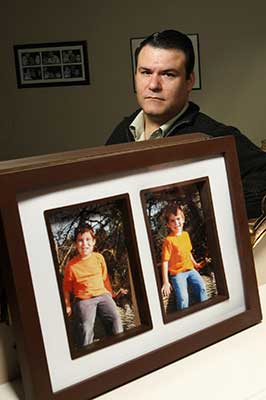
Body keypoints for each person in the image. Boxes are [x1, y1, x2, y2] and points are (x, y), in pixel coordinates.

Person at [106, 29, 266, 220]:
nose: (153, 84)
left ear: (189, 81)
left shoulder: (212, 136)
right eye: (146, 72)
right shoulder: (122, 131)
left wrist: (212, 215)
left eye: (168, 74)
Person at [63, 223, 123, 347]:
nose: (85, 244)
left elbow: (105, 279)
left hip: (103, 295)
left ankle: (119, 345)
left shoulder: (99, 258)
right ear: (75, 244)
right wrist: (67, 305)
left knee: (116, 318)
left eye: (88, 239)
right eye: (80, 240)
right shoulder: (71, 265)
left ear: (94, 241)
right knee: (85, 326)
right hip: (84, 300)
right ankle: (86, 352)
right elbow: (66, 288)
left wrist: (111, 294)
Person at [161, 205, 207, 310]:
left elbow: (188, 252)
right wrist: (165, 282)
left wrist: (195, 264)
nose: (176, 223)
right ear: (168, 224)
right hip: (177, 274)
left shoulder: (185, 235)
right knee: (183, 298)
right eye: (172, 221)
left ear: (183, 219)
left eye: (178, 219)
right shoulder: (169, 240)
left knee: (202, 287)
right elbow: (165, 262)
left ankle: (205, 310)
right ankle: (183, 318)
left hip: (190, 270)